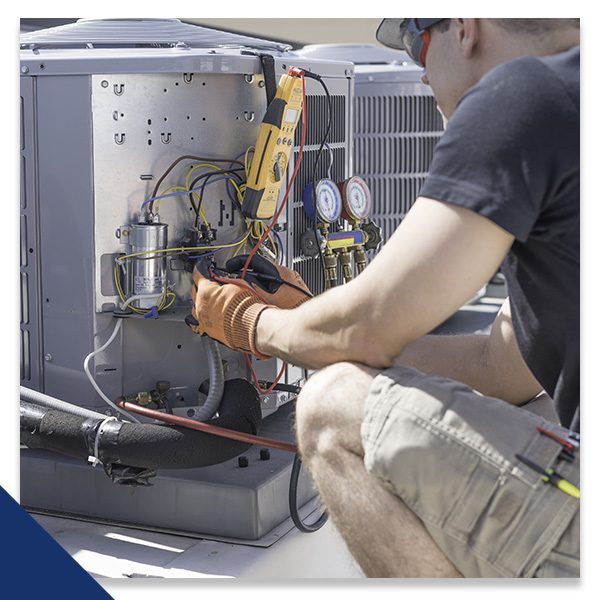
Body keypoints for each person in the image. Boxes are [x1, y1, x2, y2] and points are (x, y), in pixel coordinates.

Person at [189, 18, 580, 577]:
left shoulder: (523, 94)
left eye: (420, 45)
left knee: (331, 407)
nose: (420, 76)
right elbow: (501, 365)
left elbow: (368, 327)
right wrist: (308, 318)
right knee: (533, 403)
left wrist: (248, 322)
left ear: (465, 26)